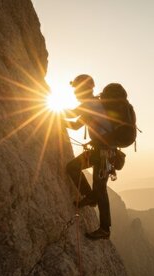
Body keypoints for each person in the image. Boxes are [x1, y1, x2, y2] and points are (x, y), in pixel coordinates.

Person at [61, 74, 114, 240]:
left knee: (100, 189)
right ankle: (90, 197)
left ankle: (105, 229)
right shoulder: (94, 103)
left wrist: (53, 118)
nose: (75, 93)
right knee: (73, 167)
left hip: (103, 154)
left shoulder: (90, 105)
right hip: (102, 152)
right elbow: (74, 117)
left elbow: (74, 123)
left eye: (77, 89)